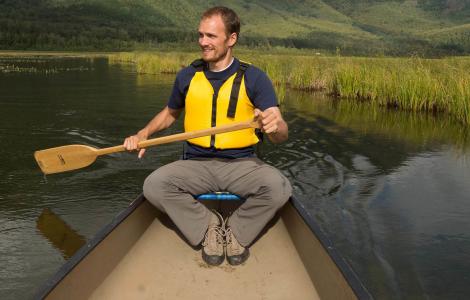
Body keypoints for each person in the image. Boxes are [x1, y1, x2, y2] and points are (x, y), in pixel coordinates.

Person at [123, 6, 292, 266]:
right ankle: (209, 228)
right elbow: (169, 114)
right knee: (154, 185)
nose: (203, 42)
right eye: (201, 35)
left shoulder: (255, 78)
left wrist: (276, 125)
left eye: (211, 36)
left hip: (242, 164)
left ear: (231, 39)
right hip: (195, 163)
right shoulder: (187, 76)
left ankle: (235, 231)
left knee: (279, 188)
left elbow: (281, 134)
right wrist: (143, 133)